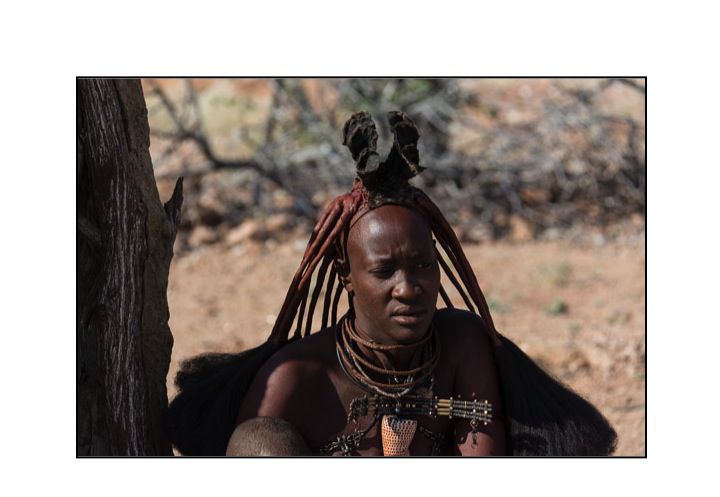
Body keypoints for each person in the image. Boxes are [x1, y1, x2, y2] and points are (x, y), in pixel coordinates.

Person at [165, 111, 617, 457]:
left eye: (422, 266)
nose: (408, 288)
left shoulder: (461, 344)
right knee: (257, 442)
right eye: (384, 271)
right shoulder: (293, 380)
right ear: (346, 275)